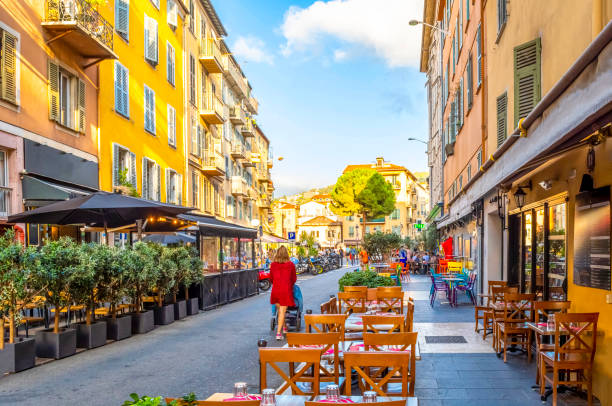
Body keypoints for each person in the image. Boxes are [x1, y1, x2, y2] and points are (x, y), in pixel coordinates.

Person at [269, 246, 297, 340]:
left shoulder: (273, 265)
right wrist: (289, 284)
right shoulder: (291, 265)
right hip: (286, 291)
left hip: (276, 290)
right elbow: (294, 279)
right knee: (282, 311)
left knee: (280, 311)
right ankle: (278, 334)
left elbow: (271, 278)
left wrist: (277, 283)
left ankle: (284, 328)